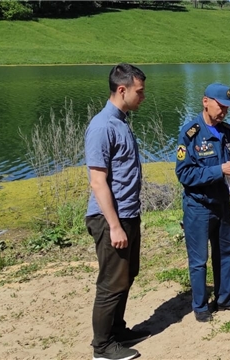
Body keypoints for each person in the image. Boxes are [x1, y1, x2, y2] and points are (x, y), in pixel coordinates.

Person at [85, 63, 150, 360]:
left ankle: (117, 330)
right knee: (111, 282)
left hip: (128, 214)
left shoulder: (121, 121)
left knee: (126, 275)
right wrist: (114, 226)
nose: (143, 97)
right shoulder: (102, 126)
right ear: (121, 90)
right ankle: (101, 347)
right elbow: (98, 182)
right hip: (110, 218)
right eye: (139, 92)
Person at [175, 83, 230, 323]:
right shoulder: (191, 133)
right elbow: (185, 175)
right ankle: (200, 307)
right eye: (220, 106)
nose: (223, 112)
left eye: (227, 108)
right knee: (199, 260)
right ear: (205, 102)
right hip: (198, 206)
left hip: (222, 202)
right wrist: (219, 169)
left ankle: (225, 299)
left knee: (227, 253)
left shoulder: (226, 131)